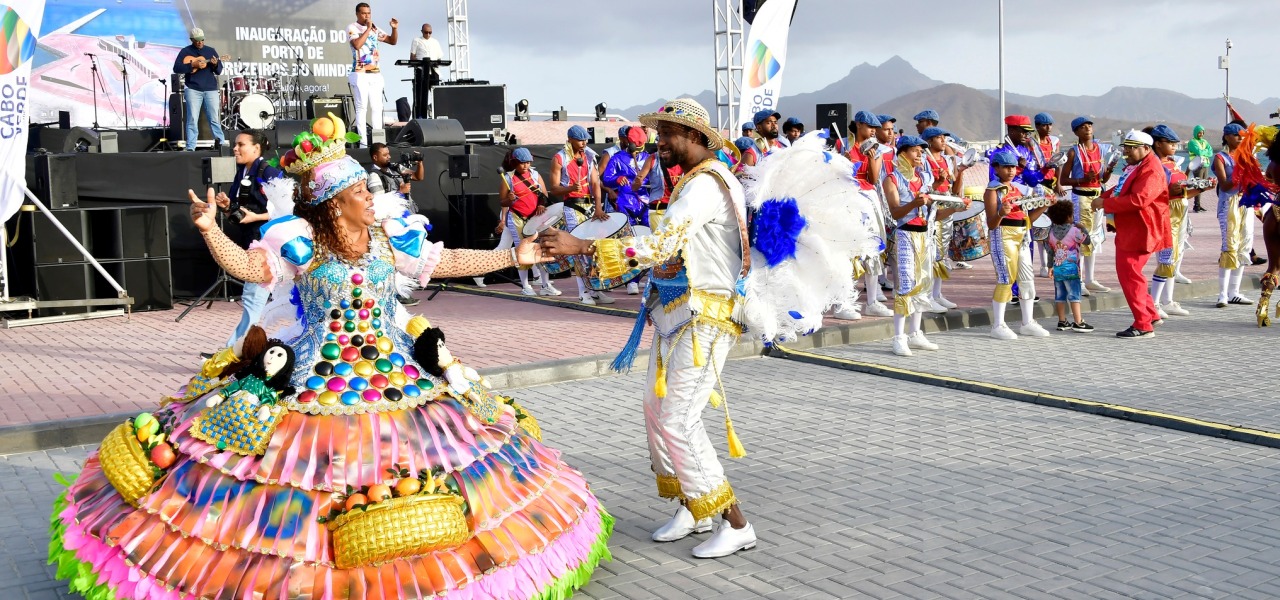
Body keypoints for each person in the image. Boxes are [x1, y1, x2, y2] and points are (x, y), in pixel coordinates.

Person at [49, 120, 614, 599]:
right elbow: (249, 270)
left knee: (409, 465)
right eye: (361, 193)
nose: (373, 198)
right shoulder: (302, 245)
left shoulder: (390, 243)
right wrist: (209, 232)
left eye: (370, 191)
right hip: (317, 380)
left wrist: (511, 254)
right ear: (333, 204)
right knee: (309, 472)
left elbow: (445, 262)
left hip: (393, 377)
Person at [539, 97, 757, 559]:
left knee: (678, 417)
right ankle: (694, 506)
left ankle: (735, 521)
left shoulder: (707, 186)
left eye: (668, 134)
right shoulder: (692, 181)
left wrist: (581, 243)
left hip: (707, 316)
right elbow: (664, 245)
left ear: (694, 138)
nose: (659, 142)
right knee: (656, 410)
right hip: (677, 312)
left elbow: (661, 244)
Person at [200, 131, 279, 357]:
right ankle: (239, 352)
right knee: (254, 301)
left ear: (256, 148)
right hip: (251, 245)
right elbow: (239, 212)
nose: (235, 149)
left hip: (267, 248)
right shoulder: (241, 172)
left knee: (253, 301)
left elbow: (285, 208)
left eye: (240, 145)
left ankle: (230, 355)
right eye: (235, 145)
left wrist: (257, 217)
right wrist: (226, 206)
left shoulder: (269, 172)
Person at [1091, 129, 1169, 338]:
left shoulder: (1151, 169)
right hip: (1133, 228)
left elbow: (1139, 199)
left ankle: (1143, 325)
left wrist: (1105, 202)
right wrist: (1103, 198)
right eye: (1125, 147)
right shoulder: (1139, 165)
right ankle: (1150, 315)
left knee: (1130, 275)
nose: (1126, 151)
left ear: (1146, 148)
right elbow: (1121, 189)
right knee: (1133, 274)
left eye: (1131, 148)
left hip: (1141, 229)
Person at [884, 135, 950, 356]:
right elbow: (895, 212)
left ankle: (915, 333)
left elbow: (935, 214)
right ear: (903, 153)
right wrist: (914, 203)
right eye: (915, 151)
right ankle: (898, 337)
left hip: (925, 235)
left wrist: (954, 209)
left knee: (922, 285)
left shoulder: (925, 178)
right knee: (905, 285)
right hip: (905, 235)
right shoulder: (892, 179)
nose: (920, 154)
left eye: (922, 151)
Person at [985, 149, 1051, 340]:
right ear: (996, 168)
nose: (1011, 171)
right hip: (1003, 235)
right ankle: (998, 324)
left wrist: (1044, 205)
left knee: (1026, 278)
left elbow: (1028, 218)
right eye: (1006, 167)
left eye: (1013, 167)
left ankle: (1027, 322)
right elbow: (991, 223)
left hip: (1022, 235)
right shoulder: (992, 191)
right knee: (1006, 278)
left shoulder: (1018, 189)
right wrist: (1000, 213)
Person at [839, 110, 894, 319]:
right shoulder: (843, 146)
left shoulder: (876, 149)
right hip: (848, 200)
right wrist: (842, 162)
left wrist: (872, 159)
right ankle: (844, 303)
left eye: (875, 128)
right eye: (870, 127)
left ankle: (872, 301)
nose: (873, 131)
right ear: (859, 125)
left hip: (868, 199)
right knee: (848, 251)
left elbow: (872, 179)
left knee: (873, 249)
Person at [550, 124, 613, 305]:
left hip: (590, 207)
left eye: (586, 139)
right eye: (580, 139)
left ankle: (595, 289)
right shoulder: (559, 158)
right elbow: (554, 188)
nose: (584, 143)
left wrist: (599, 207)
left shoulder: (589, 156)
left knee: (594, 249)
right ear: (570, 139)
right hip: (572, 206)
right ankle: (583, 292)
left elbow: (595, 183)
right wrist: (570, 187)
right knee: (577, 249)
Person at [1148, 124, 1206, 318]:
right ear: (1157, 144)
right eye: (1170, 143)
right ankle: (1154, 303)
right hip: (1165, 213)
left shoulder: (1173, 162)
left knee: (1177, 256)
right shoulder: (1153, 165)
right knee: (1166, 257)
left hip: (1180, 210)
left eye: (1175, 143)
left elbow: (1183, 194)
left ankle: (1168, 300)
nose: (1174, 146)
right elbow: (1153, 194)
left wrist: (1201, 188)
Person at [1058, 116, 1112, 294]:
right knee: (1080, 238)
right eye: (1083, 127)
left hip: (1097, 196)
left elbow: (1103, 179)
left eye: (1089, 125)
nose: (1088, 128)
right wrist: (1082, 179)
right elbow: (1064, 179)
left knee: (1094, 238)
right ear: (1076, 132)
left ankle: (1090, 279)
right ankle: (1078, 280)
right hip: (1081, 197)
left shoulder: (1101, 150)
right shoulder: (1073, 152)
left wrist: (1110, 170)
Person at [920, 126, 970, 313]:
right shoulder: (924, 159)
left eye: (944, 138)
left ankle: (937, 293)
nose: (943, 141)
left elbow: (954, 185)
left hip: (946, 205)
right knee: (931, 251)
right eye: (939, 138)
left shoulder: (948, 160)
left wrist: (962, 170)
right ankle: (927, 296)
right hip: (932, 207)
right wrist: (938, 183)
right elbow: (925, 186)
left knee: (942, 251)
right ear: (929, 141)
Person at [499, 147, 559, 296]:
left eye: (528, 162)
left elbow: (544, 194)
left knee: (542, 250)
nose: (526, 166)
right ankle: (526, 286)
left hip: (536, 218)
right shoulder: (507, 178)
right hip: (517, 218)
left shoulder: (535, 174)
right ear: (515, 163)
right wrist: (509, 199)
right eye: (522, 163)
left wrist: (541, 204)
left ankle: (545, 285)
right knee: (523, 251)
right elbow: (502, 201)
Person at [1213, 123, 1256, 307]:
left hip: (1245, 204)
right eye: (1237, 135)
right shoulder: (1220, 158)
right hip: (1229, 204)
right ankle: (1222, 294)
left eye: (1242, 136)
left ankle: (1235, 292)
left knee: (1244, 245)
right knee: (1229, 245)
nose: (1240, 139)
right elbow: (1224, 185)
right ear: (1227, 137)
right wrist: (1242, 171)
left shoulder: (1247, 157)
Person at [347, 2, 399, 147]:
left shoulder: (375, 28)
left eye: (369, 13)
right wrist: (368, 28)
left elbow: (392, 41)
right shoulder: (352, 28)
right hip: (360, 73)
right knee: (362, 108)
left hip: (375, 74)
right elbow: (357, 44)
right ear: (357, 14)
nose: (367, 16)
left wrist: (394, 29)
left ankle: (378, 143)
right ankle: (363, 143)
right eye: (364, 13)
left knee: (377, 107)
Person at [1044, 200, 1094, 332]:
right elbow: (1087, 240)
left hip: (1058, 269)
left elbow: (1049, 251)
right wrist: (1082, 227)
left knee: (1060, 296)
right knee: (1074, 295)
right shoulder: (1075, 231)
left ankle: (1062, 321)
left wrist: (1050, 267)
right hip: (1072, 269)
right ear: (1069, 216)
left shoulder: (1051, 233)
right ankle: (1078, 322)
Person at [172, 28, 225, 151]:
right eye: (197, 40)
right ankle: (191, 147)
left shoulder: (211, 51)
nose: (200, 42)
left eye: (202, 39)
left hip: (210, 89)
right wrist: (192, 65)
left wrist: (216, 64)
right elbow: (176, 68)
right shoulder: (185, 51)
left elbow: (219, 71)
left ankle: (221, 144)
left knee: (214, 118)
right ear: (192, 40)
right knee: (192, 119)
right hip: (193, 89)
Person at [1186, 124, 1214, 212]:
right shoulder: (1192, 142)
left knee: (1204, 185)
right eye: (1199, 132)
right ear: (1195, 133)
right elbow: (1198, 152)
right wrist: (1205, 152)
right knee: (1198, 184)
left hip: (1205, 164)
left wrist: (1204, 152)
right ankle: (1196, 205)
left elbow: (1211, 152)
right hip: (1197, 165)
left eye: (1202, 133)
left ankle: (1198, 204)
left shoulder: (1205, 142)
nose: (1200, 134)